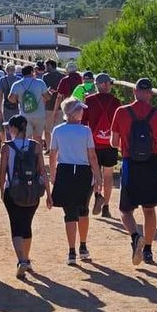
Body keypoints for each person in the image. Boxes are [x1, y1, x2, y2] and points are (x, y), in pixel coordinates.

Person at [110, 78, 157, 266]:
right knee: (149, 209)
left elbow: (113, 142)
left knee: (125, 209)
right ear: (150, 94)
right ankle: (148, 250)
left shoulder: (121, 112)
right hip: (151, 163)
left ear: (135, 92)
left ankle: (136, 236)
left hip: (130, 162)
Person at [50, 98, 102, 265]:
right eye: (80, 109)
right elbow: (92, 156)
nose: (82, 112)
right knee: (83, 210)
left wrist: (53, 174)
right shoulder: (85, 131)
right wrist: (98, 175)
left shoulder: (57, 130)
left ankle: (72, 251)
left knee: (69, 213)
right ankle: (83, 246)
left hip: (65, 171)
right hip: (83, 172)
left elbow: (52, 155)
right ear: (72, 113)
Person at [0, 115, 52, 278]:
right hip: (32, 192)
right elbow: (43, 171)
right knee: (27, 224)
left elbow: (2, 173)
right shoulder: (36, 146)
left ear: (15, 129)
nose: (8, 130)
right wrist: (48, 194)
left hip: (13, 191)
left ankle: (21, 259)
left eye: (9, 127)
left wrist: (2, 191)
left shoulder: (7, 147)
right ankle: (27, 259)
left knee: (15, 226)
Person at [83, 73, 123, 219]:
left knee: (95, 173)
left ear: (97, 84)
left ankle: (97, 195)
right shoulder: (116, 102)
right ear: (105, 84)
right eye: (109, 83)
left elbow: (83, 121)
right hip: (110, 142)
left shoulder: (89, 100)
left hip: (93, 143)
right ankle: (106, 206)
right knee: (108, 175)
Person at [9, 65, 51, 145]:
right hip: (39, 114)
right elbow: (47, 97)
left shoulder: (17, 84)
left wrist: (19, 99)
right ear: (32, 72)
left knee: (26, 137)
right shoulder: (40, 83)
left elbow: (11, 99)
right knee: (38, 137)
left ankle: (28, 154)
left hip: (25, 115)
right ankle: (37, 154)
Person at [41, 60, 65, 151]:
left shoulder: (45, 77)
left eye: (46, 66)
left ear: (50, 66)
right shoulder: (62, 76)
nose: (45, 68)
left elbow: (44, 92)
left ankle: (49, 148)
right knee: (60, 130)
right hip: (60, 107)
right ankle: (59, 148)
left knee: (47, 130)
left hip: (48, 107)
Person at [0, 64, 22, 140]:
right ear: (14, 70)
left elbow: (0, 95)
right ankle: (17, 141)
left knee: (8, 126)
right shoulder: (18, 79)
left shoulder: (2, 80)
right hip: (16, 106)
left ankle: (9, 142)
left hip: (6, 106)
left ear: (6, 70)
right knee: (17, 125)